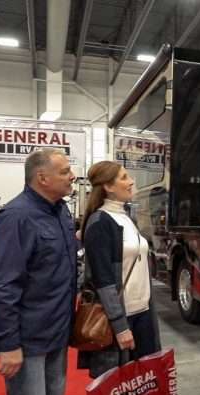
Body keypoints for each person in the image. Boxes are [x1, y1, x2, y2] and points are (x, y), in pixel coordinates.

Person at [0, 148, 77, 395]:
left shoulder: (61, 212)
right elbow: (2, 286)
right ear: (42, 177)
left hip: (57, 333)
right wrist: (8, 344)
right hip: (28, 337)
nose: (72, 176)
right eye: (64, 171)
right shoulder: (16, 218)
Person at [78, 160, 161, 378]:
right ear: (108, 186)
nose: (132, 181)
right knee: (117, 390)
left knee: (144, 384)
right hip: (121, 319)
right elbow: (103, 281)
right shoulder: (100, 223)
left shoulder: (127, 218)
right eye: (124, 177)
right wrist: (120, 326)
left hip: (143, 313)